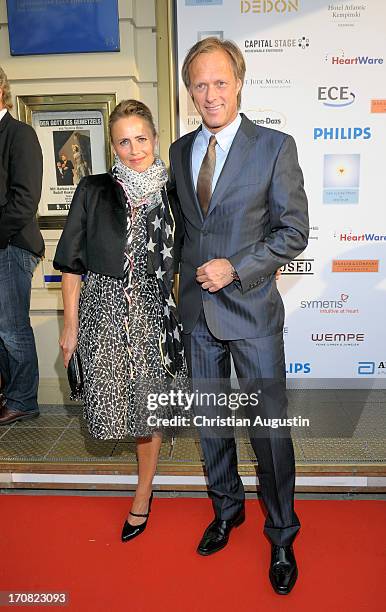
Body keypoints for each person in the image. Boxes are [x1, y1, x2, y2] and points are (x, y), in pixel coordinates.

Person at [169, 38, 309, 595]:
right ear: (189, 91)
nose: (210, 94)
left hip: (251, 312)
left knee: (269, 433)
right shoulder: (180, 153)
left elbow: (292, 232)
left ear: (240, 82)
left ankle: (281, 534)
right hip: (196, 314)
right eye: (199, 84)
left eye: (219, 82)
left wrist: (239, 266)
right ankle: (227, 509)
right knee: (210, 425)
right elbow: (182, 232)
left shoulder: (274, 146)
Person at [53, 99, 186, 542]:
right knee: (113, 407)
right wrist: (70, 325)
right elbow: (71, 263)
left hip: (154, 312)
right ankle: (144, 487)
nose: (134, 149)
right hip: (103, 311)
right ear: (112, 147)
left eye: (141, 139)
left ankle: (143, 494)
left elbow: (185, 262)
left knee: (149, 411)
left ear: (155, 138)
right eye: (123, 142)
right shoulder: (93, 190)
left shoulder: (175, 193)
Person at [0, 66, 43, 426]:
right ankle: (10, 395)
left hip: (11, 246)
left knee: (11, 327)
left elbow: (24, 201)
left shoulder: (20, 134)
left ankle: (23, 400)